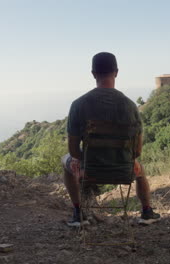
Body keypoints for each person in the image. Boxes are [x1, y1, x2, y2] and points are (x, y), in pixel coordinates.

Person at [62, 52, 161, 227]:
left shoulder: (79, 104)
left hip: (89, 172)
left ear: (93, 73)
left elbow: (73, 150)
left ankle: (78, 213)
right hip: (125, 171)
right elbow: (137, 151)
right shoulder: (130, 106)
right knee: (141, 170)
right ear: (116, 72)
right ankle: (146, 212)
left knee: (66, 161)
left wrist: (86, 160)